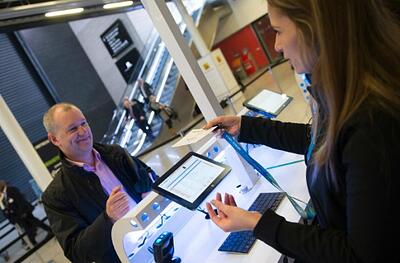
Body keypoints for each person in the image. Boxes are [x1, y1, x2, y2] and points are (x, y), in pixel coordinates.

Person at [204, 0, 400, 262]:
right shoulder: (348, 95)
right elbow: (320, 142)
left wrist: (257, 223)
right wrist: (246, 127)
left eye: (278, 30)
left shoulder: (371, 123)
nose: (276, 45)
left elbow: (359, 255)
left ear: (316, 28)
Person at [42, 103, 157, 262]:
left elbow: (148, 175)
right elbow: (76, 252)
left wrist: (148, 188)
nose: (83, 132)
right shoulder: (55, 196)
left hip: (159, 235)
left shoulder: (116, 153)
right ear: (54, 139)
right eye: (73, 129)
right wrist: (108, 219)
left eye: (84, 123)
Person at [0, 181, 52, 246]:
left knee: (33, 223)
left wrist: (23, 212)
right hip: (20, 215)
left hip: (23, 212)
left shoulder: (11, 189)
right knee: (31, 225)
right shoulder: (4, 194)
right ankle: (35, 240)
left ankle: (34, 241)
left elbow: (20, 201)